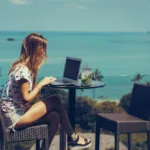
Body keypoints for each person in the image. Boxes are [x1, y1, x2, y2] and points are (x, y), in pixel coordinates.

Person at [0, 32, 91, 150]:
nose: (44, 52)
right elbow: (26, 98)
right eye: (42, 49)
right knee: (55, 100)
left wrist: (38, 76)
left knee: (55, 116)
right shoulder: (22, 70)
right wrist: (42, 84)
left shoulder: (22, 67)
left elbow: (26, 93)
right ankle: (73, 139)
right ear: (35, 50)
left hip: (17, 112)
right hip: (14, 117)